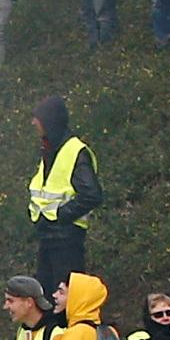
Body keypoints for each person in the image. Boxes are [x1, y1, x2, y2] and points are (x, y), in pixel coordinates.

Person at [25, 97, 102, 285]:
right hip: (49, 236)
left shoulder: (74, 151)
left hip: (66, 238)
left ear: (50, 120)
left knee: (67, 296)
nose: (33, 122)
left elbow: (92, 194)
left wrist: (60, 216)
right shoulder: (51, 149)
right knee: (49, 298)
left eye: (38, 118)